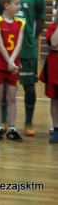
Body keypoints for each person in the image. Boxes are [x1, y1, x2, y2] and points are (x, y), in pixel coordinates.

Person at [0, 0, 45, 136]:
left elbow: (40, 22)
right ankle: (5, 121)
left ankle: (28, 122)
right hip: (6, 51)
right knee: (7, 87)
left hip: (27, 50)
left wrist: (28, 39)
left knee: (29, 86)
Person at [0, 0, 25, 142]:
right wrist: (9, 61)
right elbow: (0, 45)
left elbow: (18, 44)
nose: (19, 7)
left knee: (11, 97)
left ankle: (12, 128)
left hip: (14, 66)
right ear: (6, 5)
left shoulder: (20, 23)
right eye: (16, 4)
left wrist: (12, 62)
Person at [42, 15, 58, 143]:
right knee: (55, 99)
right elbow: (53, 44)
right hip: (55, 70)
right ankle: (56, 129)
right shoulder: (53, 27)